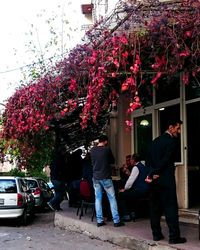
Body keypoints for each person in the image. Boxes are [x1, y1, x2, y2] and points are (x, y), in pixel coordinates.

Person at [145, 118, 187, 244]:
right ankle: (174, 237)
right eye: (178, 128)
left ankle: (156, 235)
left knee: (155, 208)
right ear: (171, 127)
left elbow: (148, 161)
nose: (179, 131)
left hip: (155, 180)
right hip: (166, 180)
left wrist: (152, 173)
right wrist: (155, 172)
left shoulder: (154, 142)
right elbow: (166, 160)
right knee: (171, 208)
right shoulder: (171, 142)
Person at [90, 134, 124, 227]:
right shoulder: (107, 149)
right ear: (105, 141)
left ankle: (100, 221)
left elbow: (92, 163)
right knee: (112, 198)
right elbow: (112, 161)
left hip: (96, 177)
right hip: (106, 177)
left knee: (98, 199)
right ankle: (116, 221)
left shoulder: (92, 150)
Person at [118, 153, 150, 222]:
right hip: (146, 190)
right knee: (129, 194)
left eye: (131, 159)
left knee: (121, 195)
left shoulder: (136, 167)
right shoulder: (143, 166)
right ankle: (133, 213)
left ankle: (126, 215)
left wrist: (125, 189)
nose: (130, 161)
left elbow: (130, 182)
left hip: (140, 191)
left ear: (134, 160)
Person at [48, 145, 67, 211]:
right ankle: (51, 202)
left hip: (55, 178)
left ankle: (57, 206)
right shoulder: (60, 158)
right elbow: (61, 169)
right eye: (64, 151)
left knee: (59, 194)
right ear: (62, 151)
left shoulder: (55, 158)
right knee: (60, 194)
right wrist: (61, 175)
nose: (65, 153)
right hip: (58, 179)